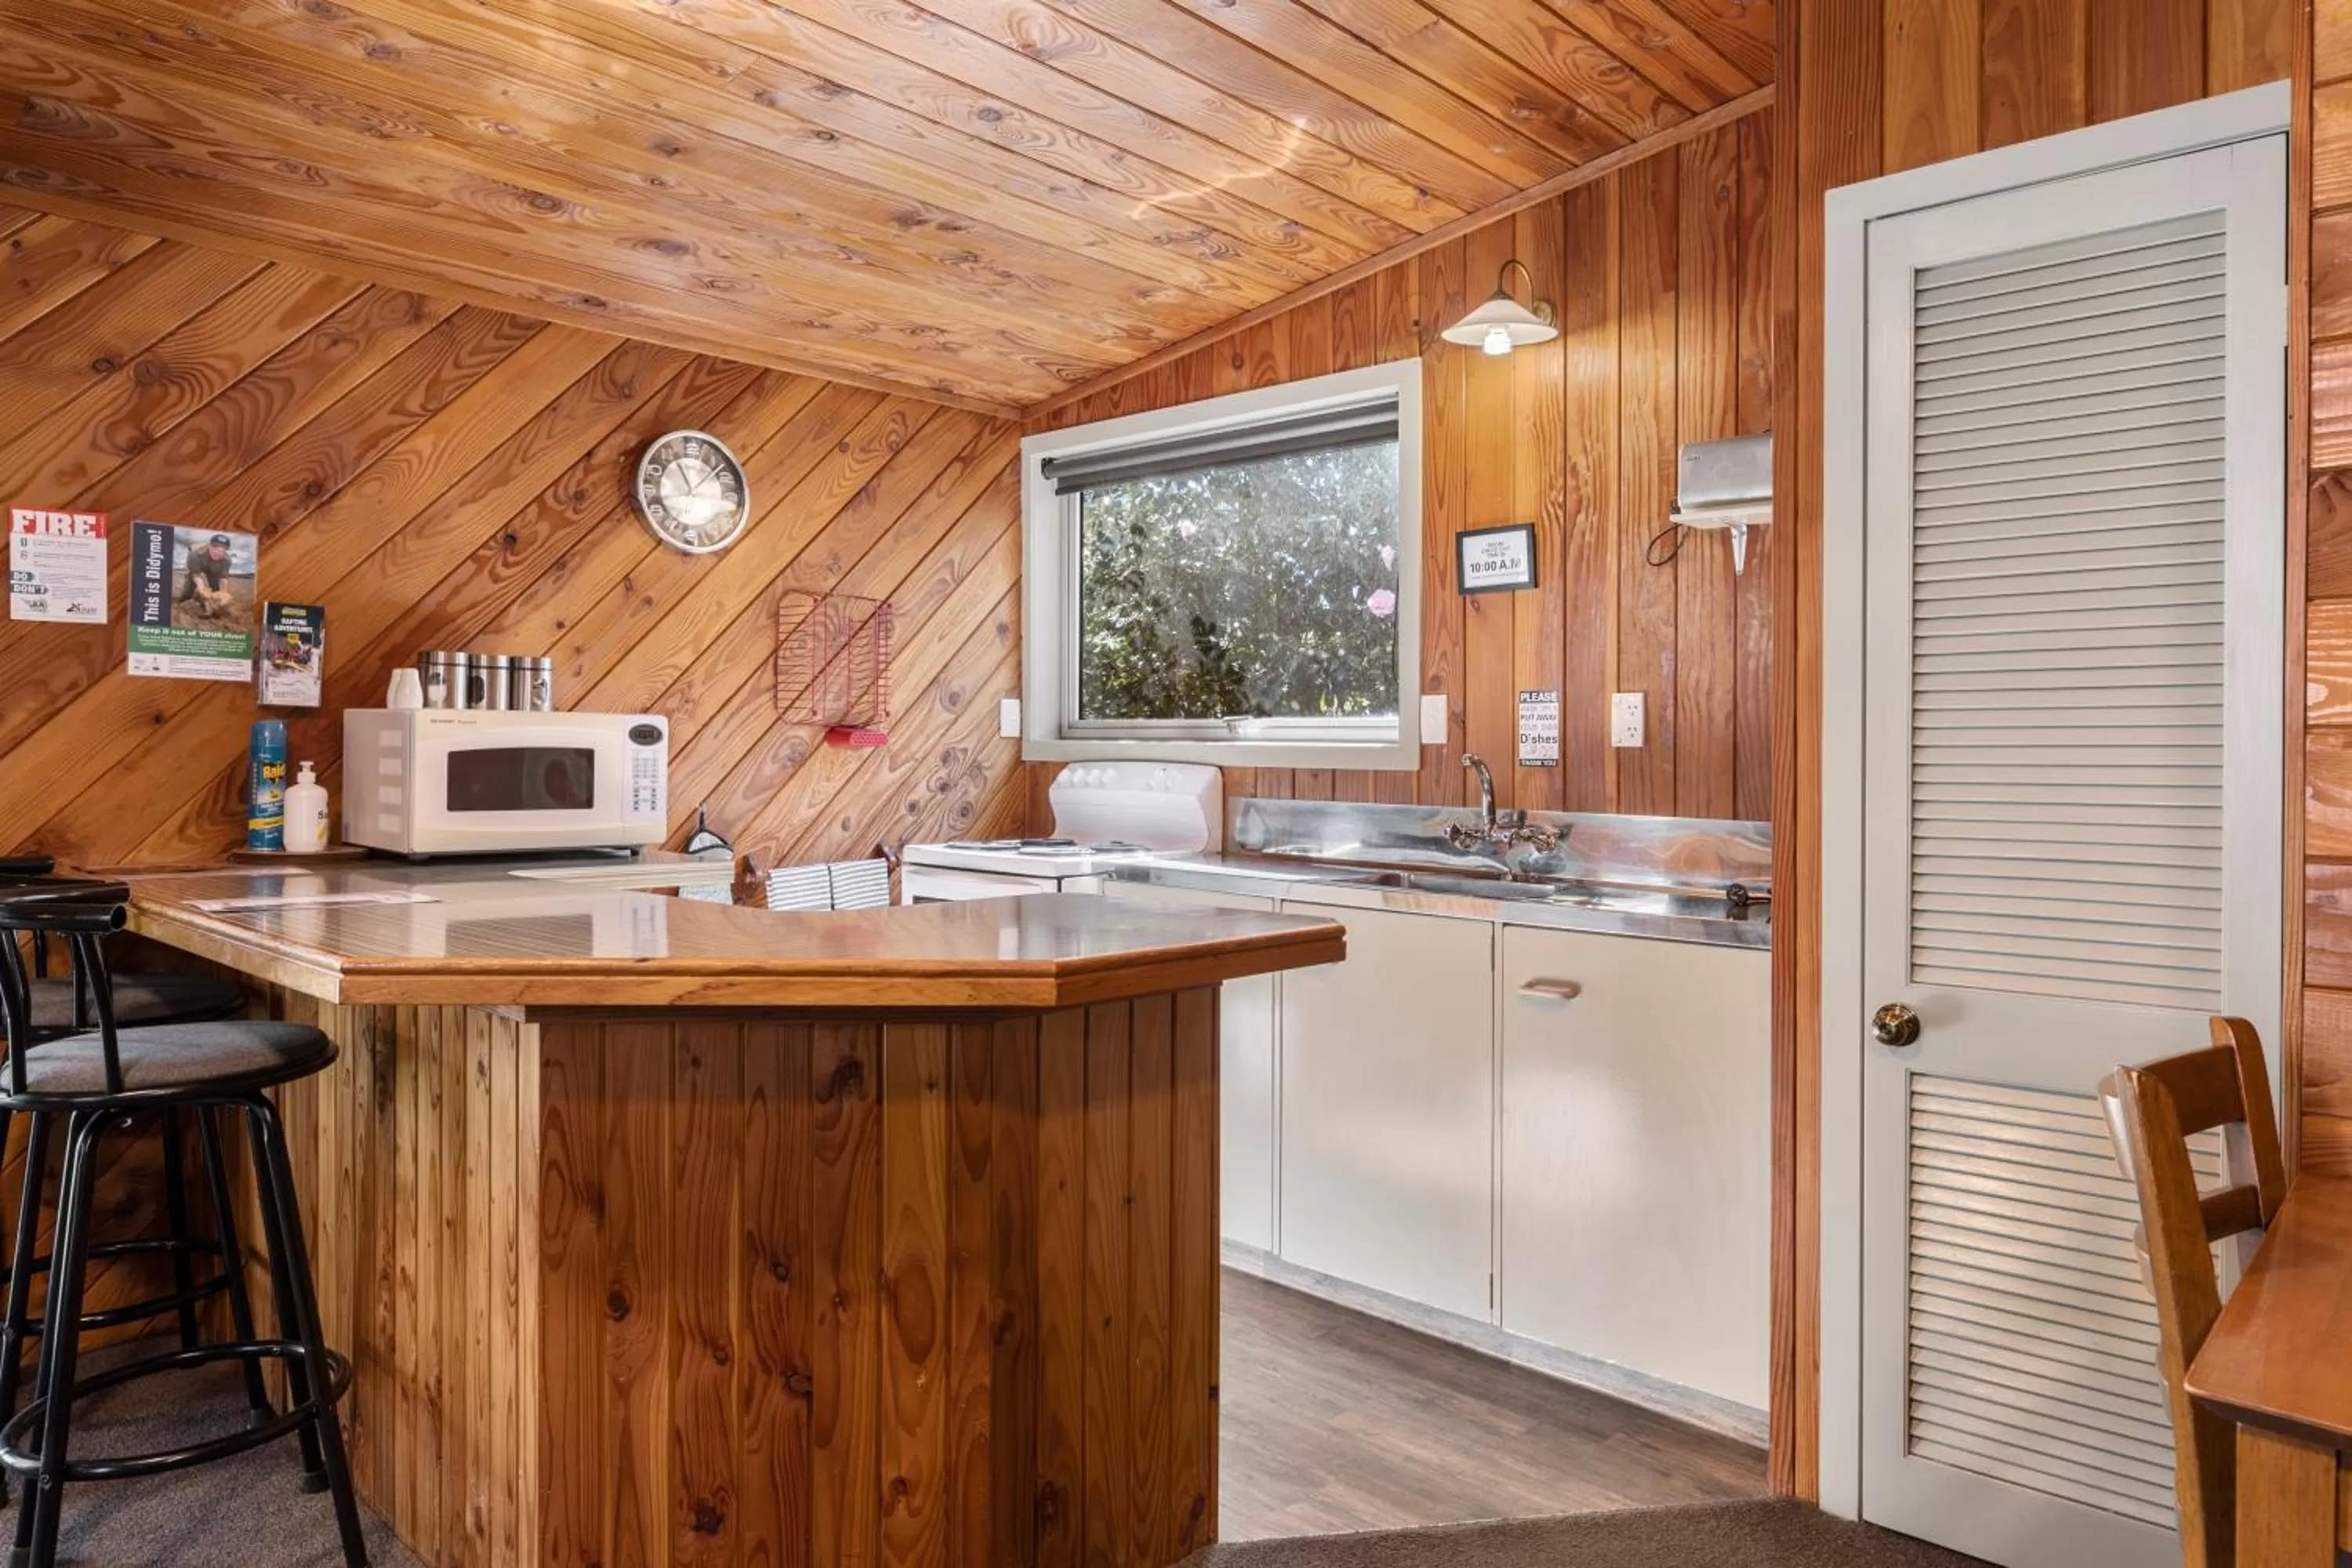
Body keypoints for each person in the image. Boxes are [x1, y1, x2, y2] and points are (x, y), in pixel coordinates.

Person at [176, 533, 235, 619]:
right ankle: (184, 602)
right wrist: (202, 590)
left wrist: (223, 594)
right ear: (209, 546)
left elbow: (223, 578)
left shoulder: (227, 560)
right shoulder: (194, 554)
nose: (218, 553)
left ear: (226, 551)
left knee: (216, 590)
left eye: (222, 551)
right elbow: (196, 574)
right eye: (215, 548)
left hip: (214, 569)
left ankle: (212, 609)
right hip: (197, 567)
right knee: (190, 587)